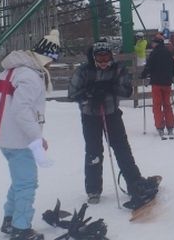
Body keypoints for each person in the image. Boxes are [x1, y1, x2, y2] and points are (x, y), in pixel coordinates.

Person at [68, 39, 160, 208]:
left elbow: (127, 90)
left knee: (122, 149)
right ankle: (93, 189)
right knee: (93, 151)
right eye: (99, 59)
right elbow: (72, 93)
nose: (103, 63)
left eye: (106, 58)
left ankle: (134, 184)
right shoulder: (84, 71)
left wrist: (111, 87)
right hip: (90, 116)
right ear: (94, 58)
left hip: (111, 114)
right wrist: (89, 93)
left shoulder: (118, 69)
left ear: (111, 57)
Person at [0, 29, 60, 240]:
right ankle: (21, 228)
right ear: (47, 57)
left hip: (5, 136)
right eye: (51, 60)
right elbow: (21, 110)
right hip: (19, 139)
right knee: (27, 183)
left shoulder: (11, 71)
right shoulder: (31, 76)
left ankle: (9, 219)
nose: (50, 65)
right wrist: (36, 138)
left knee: (19, 181)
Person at [140, 33, 174, 137]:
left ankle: (160, 126)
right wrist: (171, 75)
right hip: (167, 83)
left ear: (156, 43)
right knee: (167, 104)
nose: (152, 44)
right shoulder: (168, 53)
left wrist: (143, 75)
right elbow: (173, 66)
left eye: (153, 43)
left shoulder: (154, 53)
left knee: (157, 105)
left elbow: (149, 67)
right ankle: (170, 125)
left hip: (156, 83)